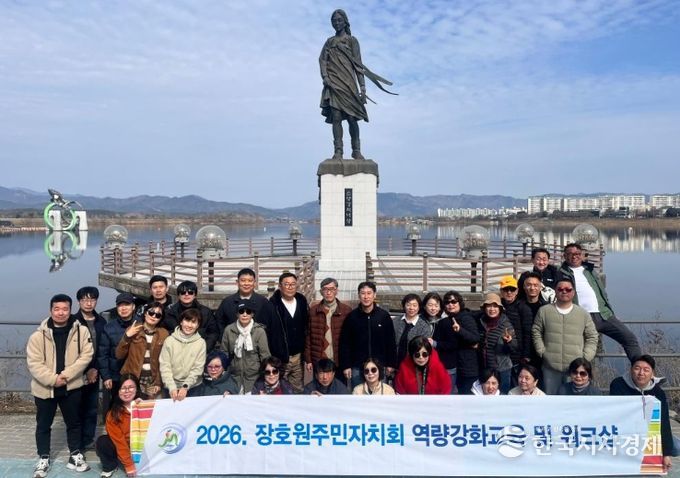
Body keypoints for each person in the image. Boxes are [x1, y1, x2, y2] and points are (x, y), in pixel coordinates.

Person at [27, 294, 94, 477]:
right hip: (45, 388)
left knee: (74, 423)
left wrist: (65, 376)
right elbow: (34, 363)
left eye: (65, 309)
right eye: (57, 309)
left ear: (70, 310)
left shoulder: (81, 331)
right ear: (51, 310)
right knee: (43, 425)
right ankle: (44, 457)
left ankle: (75, 454)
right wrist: (53, 379)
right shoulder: (37, 336)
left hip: (71, 386)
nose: (61, 312)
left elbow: (86, 356)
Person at [319, 9, 395, 160]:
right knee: (336, 117)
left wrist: (363, 87)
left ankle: (356, 150)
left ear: (345, 22)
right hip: (334, 82)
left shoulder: (352, 41)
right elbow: (322, 60)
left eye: (339, 20)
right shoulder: (329, 42)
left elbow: (359, 66)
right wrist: (325, 76)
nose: (337, 23)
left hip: (349, 84)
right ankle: (338, 151)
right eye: (334, 21)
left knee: (352, 118)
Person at [558, 242, 641, 361]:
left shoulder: (590, 270)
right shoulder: (560, 272)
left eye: (577, 253)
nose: (574, 256)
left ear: (582, 255)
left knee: (629, 339)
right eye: (570, 254)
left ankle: (640, 368)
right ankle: (582, 373)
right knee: (581, 353)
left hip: (604, 315)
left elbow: (602, 293)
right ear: (565, 256)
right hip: (580, 318)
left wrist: (611, 312)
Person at [532, 278, 599, 395]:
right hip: (550, 368)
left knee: (574, 401)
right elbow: (536, 331)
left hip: (575, 369)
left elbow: (592, 336)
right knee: (551, 400)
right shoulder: (544, 311)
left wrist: (585, 357)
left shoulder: (583, 314)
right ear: (555, 291)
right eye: (560, 289)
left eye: (568, 289)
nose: (564, 291)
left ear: (573, 292)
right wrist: (541, 351)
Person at [609, 354, 673, 473]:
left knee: (676, 447)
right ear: (631, 370)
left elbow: (664, 422)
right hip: (626, 434)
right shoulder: (618, 385)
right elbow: (614, 414)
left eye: (646, 370)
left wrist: (666, 454)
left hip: (648, 433)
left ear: (652, 373)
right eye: (637, 368)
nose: (641, 373)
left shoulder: (658, 392)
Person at [339, 281, 397, 388]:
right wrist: (346, 365)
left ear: (374, 295)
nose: (366, 297)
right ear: (359, 295)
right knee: (358, 394)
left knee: (379, 395)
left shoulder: (383, 316)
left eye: (369, 293)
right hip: (357, 367)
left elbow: (391, 341)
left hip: (379, 366)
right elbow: (345, 343)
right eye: (363, 293)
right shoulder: (352, 317)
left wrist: (391, 364)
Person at [73, 286, 106, 451]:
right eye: (85, 299)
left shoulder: (101, 321)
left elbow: (103, 347)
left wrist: (95, 368)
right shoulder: (73, 321)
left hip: (95, 370)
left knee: (92, 407)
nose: (88, 303)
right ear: (79, 302)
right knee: (76, 407)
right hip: (76, 371)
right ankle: (76, 442)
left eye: (92, 299)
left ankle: (88, 439)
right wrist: (84, 369)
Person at [116, 302, 169, 399]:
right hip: (132, 377)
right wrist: (127, 336)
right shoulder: (133, 329)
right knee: (131, 405)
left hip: (152, 379)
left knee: (150, 406)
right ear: (145, 313)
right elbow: (119, 355)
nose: (153, 316)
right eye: (151, 313)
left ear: (160, 318)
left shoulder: (163, 334)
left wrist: (158, 382)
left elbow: (164, 361)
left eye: (158, 315)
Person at [432, 290, 480, 394]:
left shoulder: (466, 317)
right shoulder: (448, 320)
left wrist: (460, 330)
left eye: (454, 302)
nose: (450, 305)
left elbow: (475, 338)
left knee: (466, 397)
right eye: (447, 302)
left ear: (459, 303)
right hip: (454, 366)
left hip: (467, 367)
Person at [269, 272, 309, 393]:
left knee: (298, 389)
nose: (290, 287)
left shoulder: (301, 301)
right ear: (280, 286)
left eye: (293, 284)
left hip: (298, 356)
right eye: (286, 284)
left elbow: (306, 325)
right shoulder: (273, 304)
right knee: (279, 389)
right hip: (281, 357)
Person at [95, 373, 140, 478]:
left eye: (131, 387)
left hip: (141, 446)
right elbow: (119, 441)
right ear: (118, 391)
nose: (127, 391)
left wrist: (145, 406)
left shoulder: (144, 405)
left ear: (137, 389)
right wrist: (129, 464)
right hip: (125, 446)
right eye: (123, 388)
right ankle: (110, 465)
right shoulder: (113, 414)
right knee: (103, 442)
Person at [98, 292, 137, 416]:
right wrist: (106, 376)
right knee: (117, 407)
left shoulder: (141, 324)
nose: (123, 308)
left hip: (137, 375)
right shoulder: (109, 327)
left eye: (127, 304)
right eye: (120, 305)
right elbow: (103, 353)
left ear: (133, 307)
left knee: (136, 408)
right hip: (116, 376)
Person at [222, 300, 270, 394]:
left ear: (252, 314)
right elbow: (224, 353)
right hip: (234, 377)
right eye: (241, 311)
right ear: (237, 314)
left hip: (254, 378)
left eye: (248, 312)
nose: (245, 314)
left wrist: (264, 378)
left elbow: (265, 356)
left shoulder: (259, 331)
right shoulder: (229, 330)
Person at [305, 277, 352, 372]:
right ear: (321, 292)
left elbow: (351, 339)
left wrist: (349, 362)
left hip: (339, 360)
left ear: (337, 291)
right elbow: (308, 336)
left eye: (332, 289)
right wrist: (308, 360)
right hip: (319, 361)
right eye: (325, 289)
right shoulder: (313, 311)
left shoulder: (346, 310)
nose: (328, 292)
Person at [159, 308, 206, 400]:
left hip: (193, 387)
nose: (189, 325)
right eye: (187, 321)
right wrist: (171, 386)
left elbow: (198, 368)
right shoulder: (169, 340)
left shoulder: (201, 343)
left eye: (193, 322)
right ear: (181, 322)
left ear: (198, 325)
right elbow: (165, 366)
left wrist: (185, 386)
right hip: (170, 386)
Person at [476, 293, 517, 394]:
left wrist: (509, 342)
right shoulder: (480, 321)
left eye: (495, 306)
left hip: (502, 370)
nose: (492, 309)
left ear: (500, 308)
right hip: (485, 368)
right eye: (489, 306)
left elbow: (514, 348)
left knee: (501, 397)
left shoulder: (506, 324)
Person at [215, 267, 274, 338]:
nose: (246, 283)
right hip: (233, 342)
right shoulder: (227, 302)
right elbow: (219, 323)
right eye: (243, 280)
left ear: (255, 283)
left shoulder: (263, 302)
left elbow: (270, 324)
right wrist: (227, 338)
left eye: (250, 281)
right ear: (237, 282)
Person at [164, 280, 220, 351]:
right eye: (183, 293)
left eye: (190, 292)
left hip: (200, 350)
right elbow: (167, 332)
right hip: (176, 350)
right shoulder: (170, 312)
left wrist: (204, 349)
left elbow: (213, 333)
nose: (186, 294)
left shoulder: (206, 312)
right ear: (178, 295)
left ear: (195, 295)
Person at [498, 276, 533, 370]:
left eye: (512, 289)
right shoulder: (498, 306)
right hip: (499, 351)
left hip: (517, 352)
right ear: (501, 291)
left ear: (517, 291)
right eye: (506, 289)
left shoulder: (524, 308)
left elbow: (528, 333)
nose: (509, 292)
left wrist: (526, 354)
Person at [393, 293, 431, 366]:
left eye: (414, 305)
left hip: (413, 365)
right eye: (408, 305)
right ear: (404, 306)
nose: (411, 308)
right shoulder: (395, 321)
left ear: (419, 307)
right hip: (394, 363)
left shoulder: (424, 326)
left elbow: (424, 350)